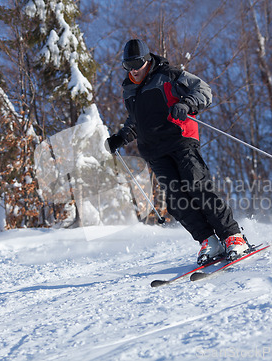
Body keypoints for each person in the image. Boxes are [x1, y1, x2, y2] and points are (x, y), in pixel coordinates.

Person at [106, 39, 249, 265]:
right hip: (154, 150)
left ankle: (233, 236)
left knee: (197, 186)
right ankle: (209, 241)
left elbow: (203, 90)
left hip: (180, 139)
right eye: (128, 65)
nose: (133, 69)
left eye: (137, 63)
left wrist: (187, 103)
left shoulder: (170, 75)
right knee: (177, 200)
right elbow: (135, 121)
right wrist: (122, 137)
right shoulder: (129, 89)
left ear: (147, 60)